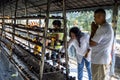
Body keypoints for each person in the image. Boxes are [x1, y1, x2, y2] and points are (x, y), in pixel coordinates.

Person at [89, 8, 114, 80]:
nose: (94, 19)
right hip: (102, 59)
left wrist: (93, 30)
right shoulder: (107, 27)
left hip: (99, 60)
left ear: (101, 17)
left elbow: (92, 43)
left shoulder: (102, 29)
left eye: (95, 17)